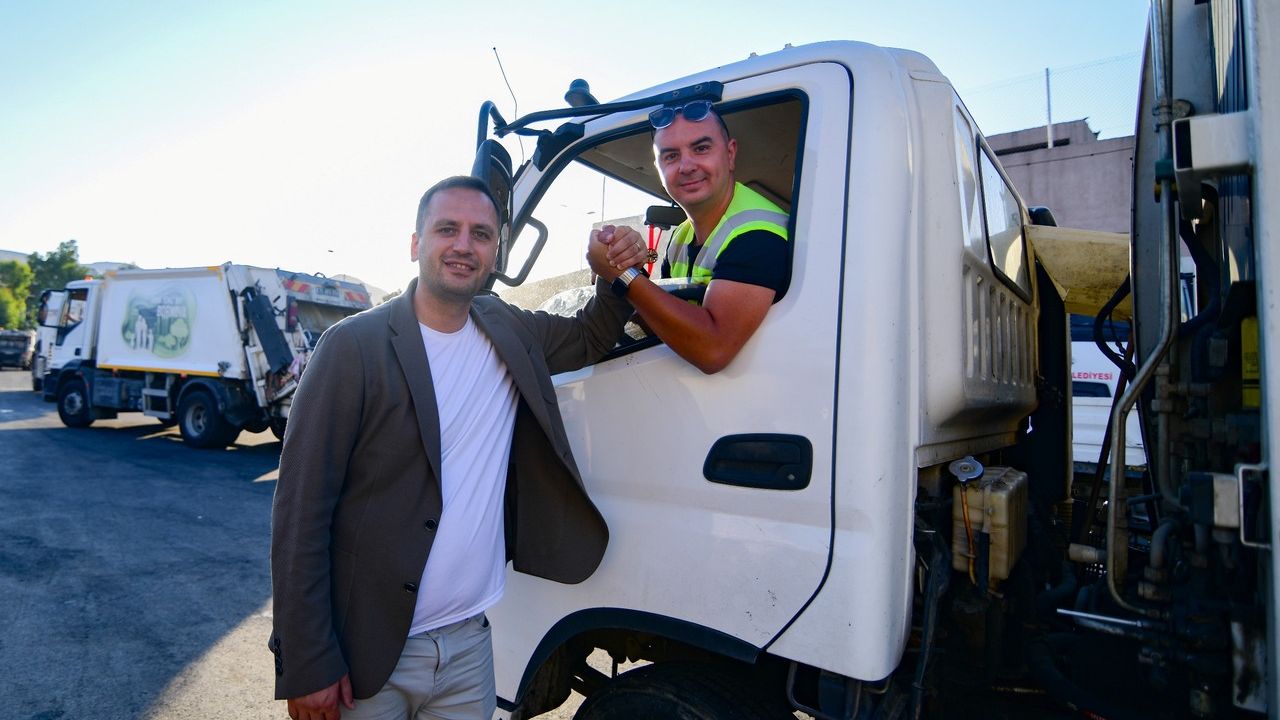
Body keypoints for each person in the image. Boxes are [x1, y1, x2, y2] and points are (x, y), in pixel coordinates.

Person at [269, 175, 644, 720]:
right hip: (367, 653)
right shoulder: (352, 347)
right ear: (415, 243)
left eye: (481, 234)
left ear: (496, 252)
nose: (464, 245)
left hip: (469, 648)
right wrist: (307, 662)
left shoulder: (508, 328)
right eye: (448, 229)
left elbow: (589, 335)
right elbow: (300, 511)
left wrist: (617, 273)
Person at [600, 100, 789, 374]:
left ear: (730, 154)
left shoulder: (757, 232)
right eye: (670, 156)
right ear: (658, 168)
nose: (686, 166)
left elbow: (713, 350)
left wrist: (625, 278)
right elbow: (669, 326)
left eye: (701, 149)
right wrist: (620, 260)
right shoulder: (680, 237)